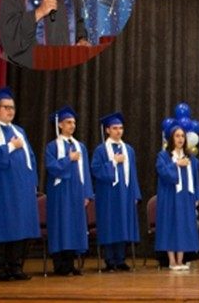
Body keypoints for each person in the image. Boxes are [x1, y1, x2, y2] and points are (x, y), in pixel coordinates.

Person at [0, 87, 39, 281]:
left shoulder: (19, 131)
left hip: (22, 189)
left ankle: (16, 267)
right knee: (3, 227)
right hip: (1, 190)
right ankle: (2, 269)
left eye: (12, 107)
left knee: (21, 228)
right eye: (6, 107)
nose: (11, 111)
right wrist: (11, 146)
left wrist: (33, 183)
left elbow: (31, 159)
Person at [45, 106, 94, 276]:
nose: (72, 125)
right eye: (68, 122)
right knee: (61, 225)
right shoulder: (52, 147)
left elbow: (85, 171)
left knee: (74, 226)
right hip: (60, 192)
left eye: (74, 122)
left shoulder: (80, 147)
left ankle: (71, 263)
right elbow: (52, 168)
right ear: (60, 125)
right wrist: (68, 159)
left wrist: (87, 193)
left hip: (76, 191)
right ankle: (60, 265)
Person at [91, 112, 141, 272]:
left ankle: (120, 259)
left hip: (125, 193)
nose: (118, 131)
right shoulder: (101, 150)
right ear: (107, 130)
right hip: (108, 193)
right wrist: (113, 161)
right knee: (110, 225)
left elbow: (132, 173)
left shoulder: (129, 150)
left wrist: (135, 193)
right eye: (115, 128)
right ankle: (109, 260)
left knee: (123, 226)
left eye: (121, 128)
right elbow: (96, 170)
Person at [155, 122, 199, 271]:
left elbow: (195, 179)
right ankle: (171, 261)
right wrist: (176, 165)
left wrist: (197, 196)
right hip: (169, 196)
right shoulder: (163, 156)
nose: (180, 139)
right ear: (171, 138)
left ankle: (181, 260)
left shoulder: (191, 158)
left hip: (185, 197)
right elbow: (163, 173)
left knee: (183, 226)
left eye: (182, 136)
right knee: (170, 225)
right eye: (177, 136)